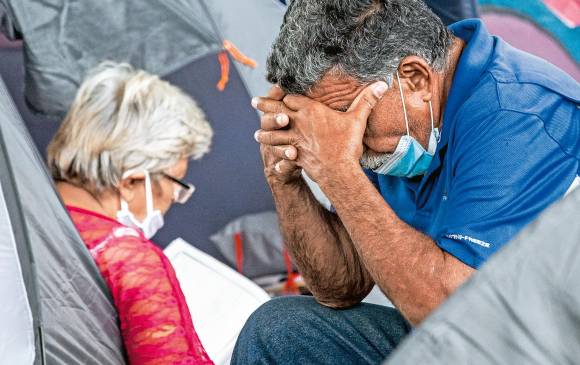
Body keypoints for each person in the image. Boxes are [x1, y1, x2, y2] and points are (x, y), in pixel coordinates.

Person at [232, 0, 580, 363]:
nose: (348, 139)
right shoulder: (386, 118)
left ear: (416, 78)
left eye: (349, 120)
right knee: (280, 331)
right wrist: (284, 178)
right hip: (454, 328)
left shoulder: (520, 114)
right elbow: (341, 287)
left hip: (536, 344)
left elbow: (465, 324)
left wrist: (338, 169)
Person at [47, 62, 215, 365]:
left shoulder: (30, 219)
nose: (175, 200)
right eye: (176, 184)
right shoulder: (129, 259)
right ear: (131, 182)